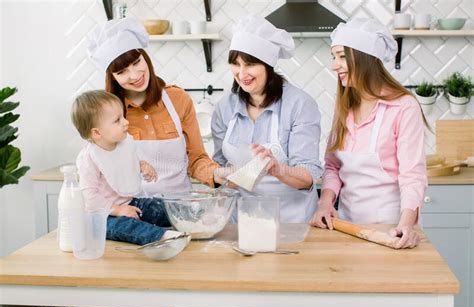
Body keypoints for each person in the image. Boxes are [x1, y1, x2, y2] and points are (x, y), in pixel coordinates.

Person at [309, 18, 428, 249]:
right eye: (334, 57)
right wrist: (325, 203)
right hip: (346, 228)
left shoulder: (403, 106)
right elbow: (332, 166)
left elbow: (412, 175)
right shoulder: (345, 106)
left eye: (342, 57)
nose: (335, 65)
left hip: (390, 230)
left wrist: (406, 225)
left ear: (366, 59)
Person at [87, 17, 221, 196]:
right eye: (122, 72)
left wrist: (217, 174)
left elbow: (196, 159)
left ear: (145, 57)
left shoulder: (178, 99)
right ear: (112, 77)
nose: (135, 75)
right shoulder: (105, 113)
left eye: (136, 62)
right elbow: (100, 173)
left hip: (179, 211)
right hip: (133, 214)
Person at [212, 15, 323, 223]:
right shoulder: (225, 107)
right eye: (235, 64)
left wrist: (276, 168)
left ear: (267, 65)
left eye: (250, 64)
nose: (241, 73)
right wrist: (221, 178)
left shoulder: (300, 104)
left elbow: (308, 176)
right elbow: (218, 164)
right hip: (241, 221)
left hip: (292, 220)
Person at [72, 90, 181, 245]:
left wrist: (143, 166)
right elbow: (89, 198)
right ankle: (162, 236)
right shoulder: (89, 159)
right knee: (125, 227)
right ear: (97, 133)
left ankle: (194, 218)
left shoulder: (123, 143)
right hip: (104, 216)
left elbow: (129, 161)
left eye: (123, 116)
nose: (126, 122)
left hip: (131, 203)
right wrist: (117, 210)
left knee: (159, 206)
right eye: (117, 120)